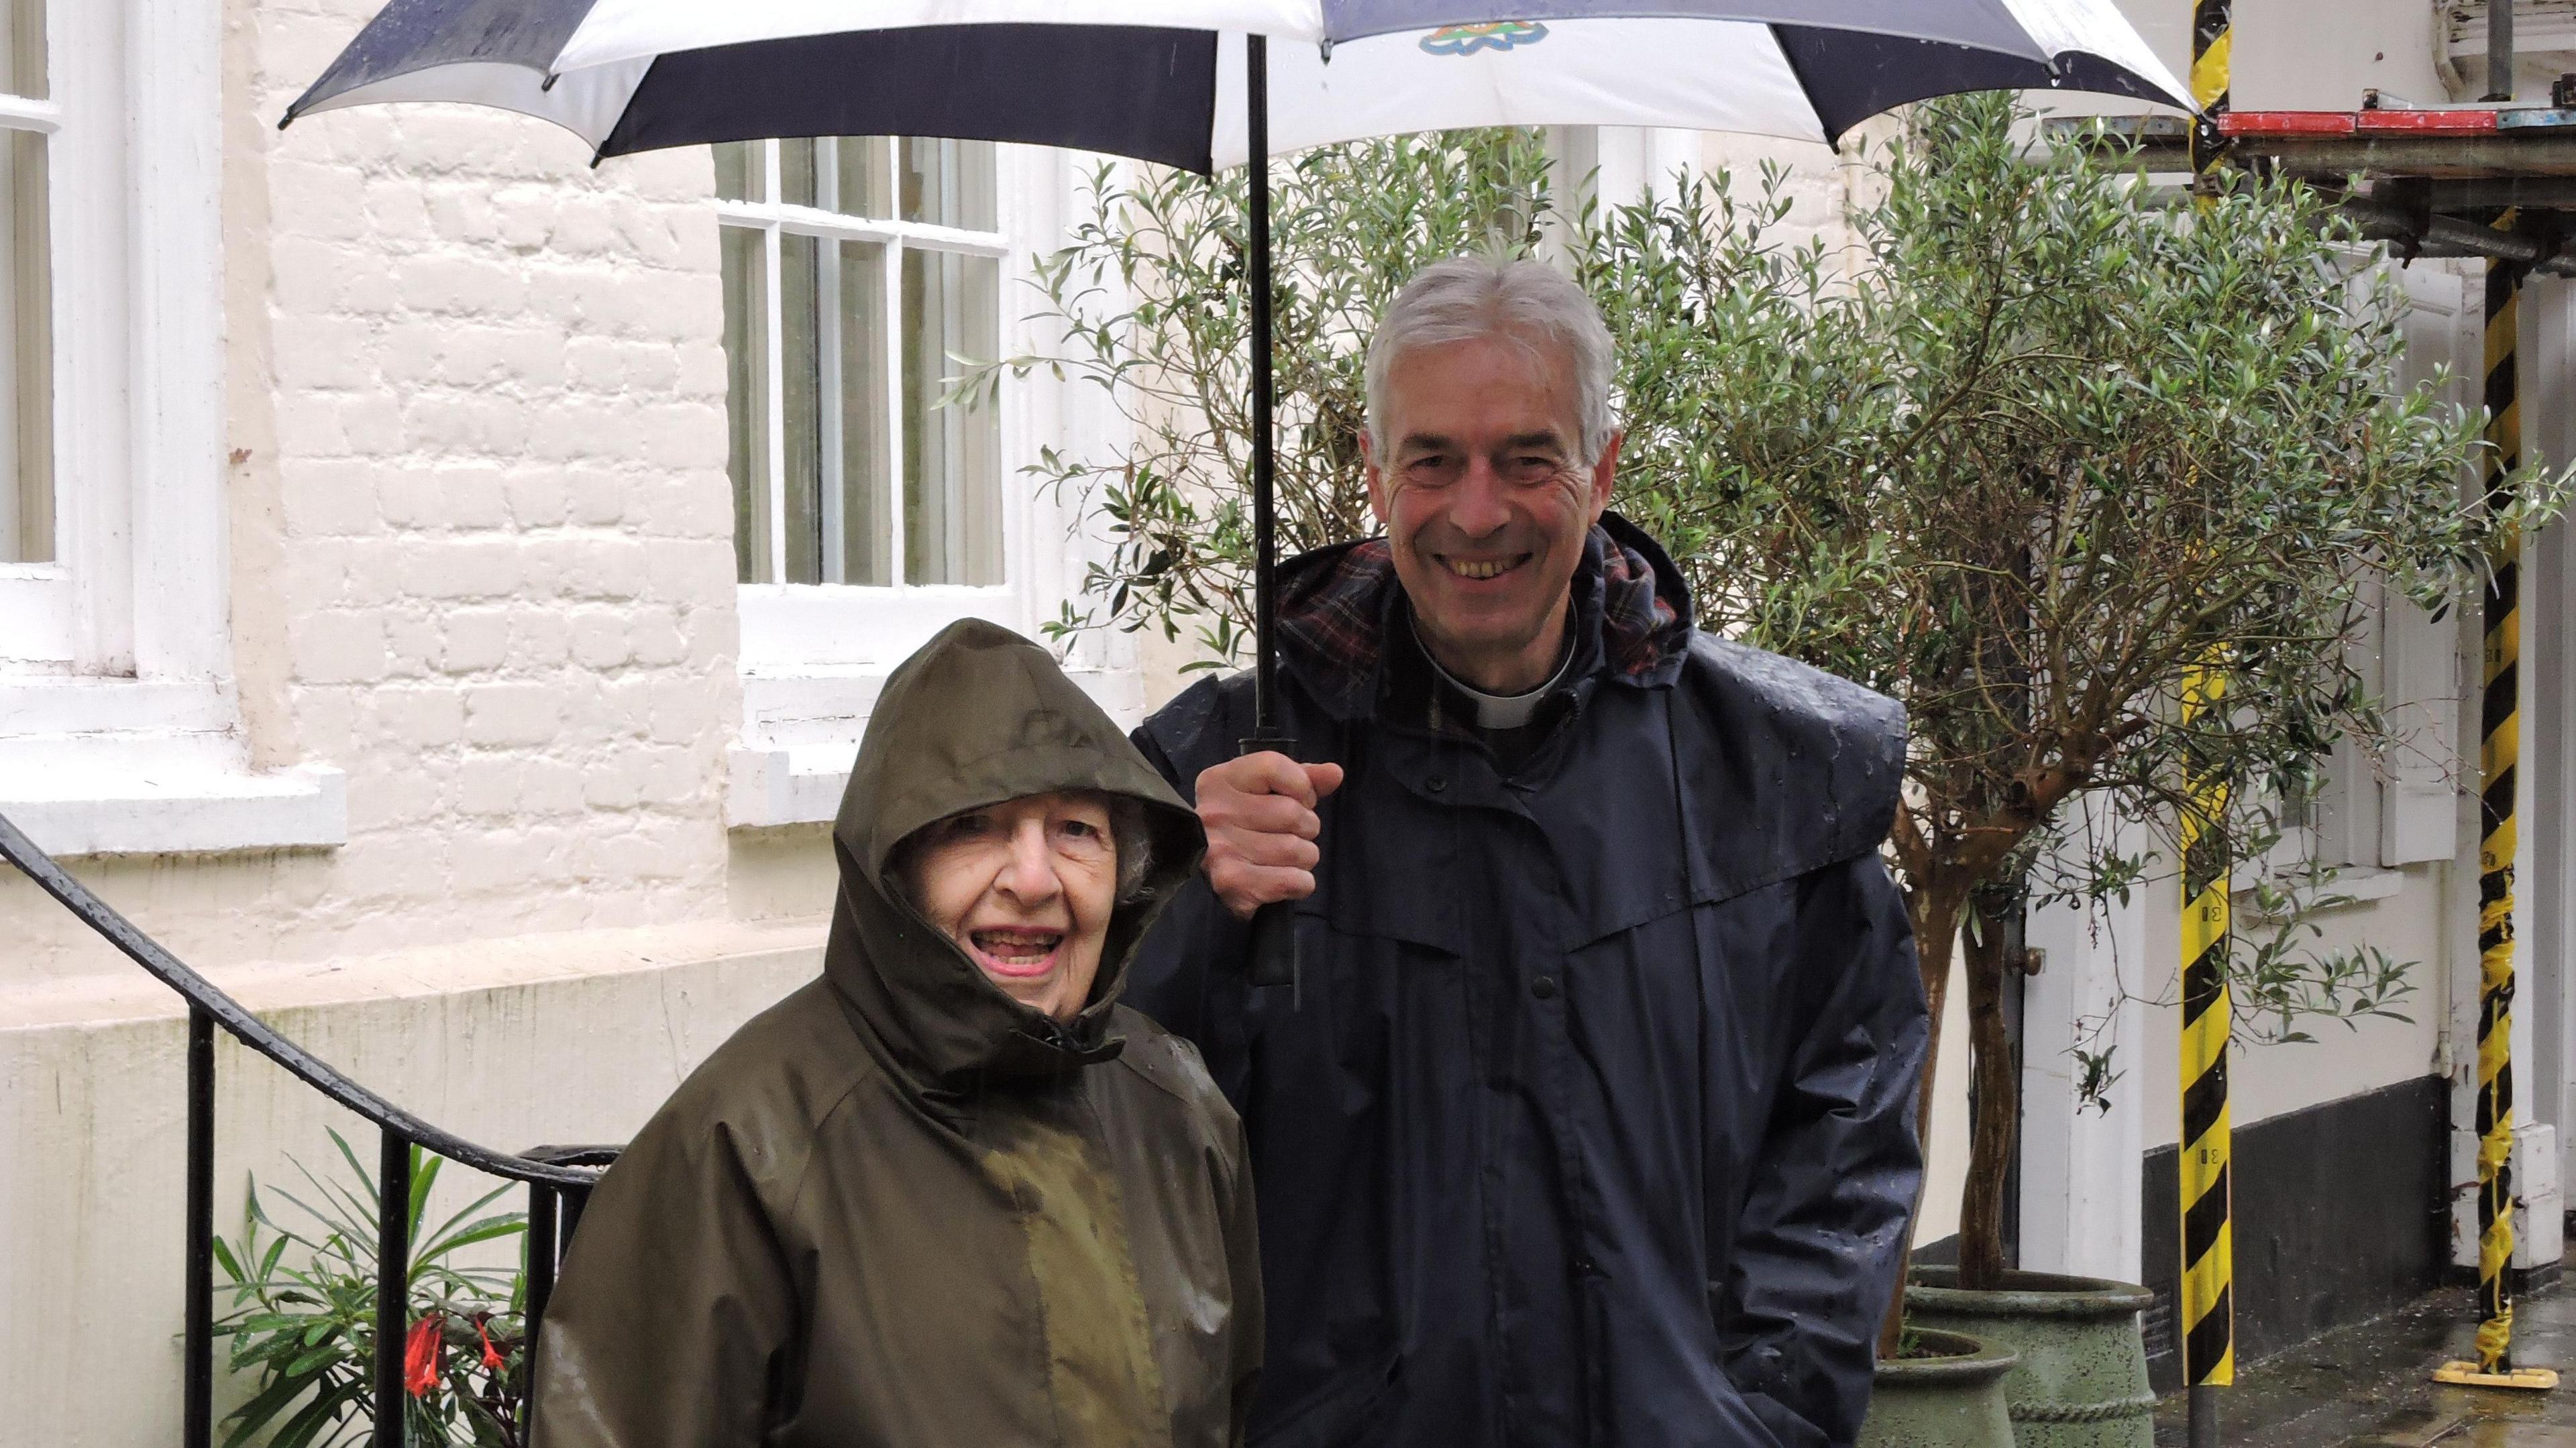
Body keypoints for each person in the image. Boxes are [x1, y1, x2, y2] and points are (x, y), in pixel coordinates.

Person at [1126, 257, 1929, 1448]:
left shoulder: (1774, 776)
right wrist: (1189, 908)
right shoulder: (1209, 774)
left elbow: (1846, 1141)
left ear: (1603, 468)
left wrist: (1760, 1416)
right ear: (1373, 469)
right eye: (1433, 458)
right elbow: (1100, 1126)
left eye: (1529, 457)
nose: (1478, 509)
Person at [533, 619, 1261, 1447]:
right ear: (896, 871)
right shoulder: (745, 1143)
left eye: (1076, 831)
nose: (1032, 878)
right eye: (975, 826)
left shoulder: (1178, 1107)